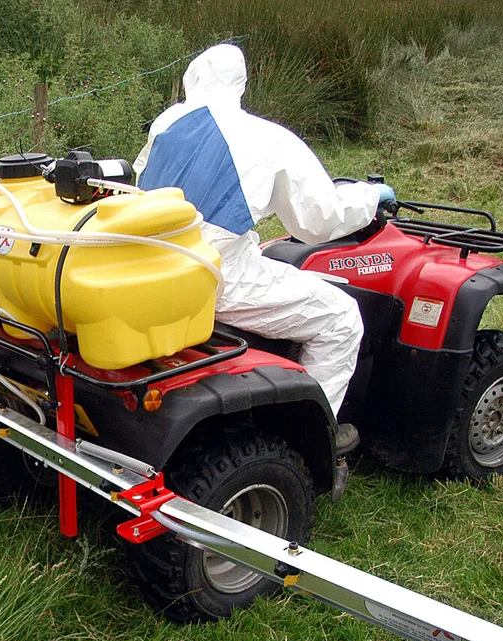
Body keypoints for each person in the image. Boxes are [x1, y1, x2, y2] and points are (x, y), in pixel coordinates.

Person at [134, 43, 395, 453]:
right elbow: (317, 221)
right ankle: (314, 440)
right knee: (341, 317)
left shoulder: (165, 124)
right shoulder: (266, 138)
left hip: (149, 261)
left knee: (259, 258)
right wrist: (369, 197)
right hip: (214, 275)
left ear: (193, 77)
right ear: (241, 84)